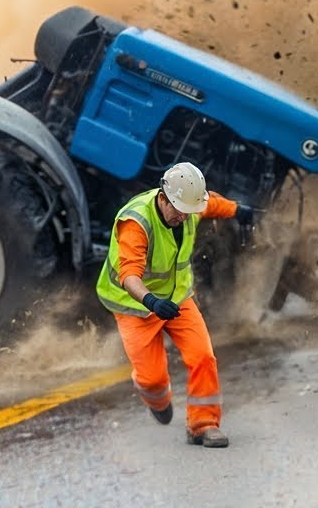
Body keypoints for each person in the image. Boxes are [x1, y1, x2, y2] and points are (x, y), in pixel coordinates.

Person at [95, 161, 255, 448]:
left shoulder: (188, 206)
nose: (185, 216)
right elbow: (129, 275)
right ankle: (157, 400)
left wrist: (238, 211)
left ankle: (203, 424)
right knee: (153, 379)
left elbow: (212, 205)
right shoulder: (136, 222)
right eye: (179, 210)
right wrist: (151, 301)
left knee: (203, 356)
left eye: (189, 211)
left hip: (178, 296)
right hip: (135, 306)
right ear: (163, 197)